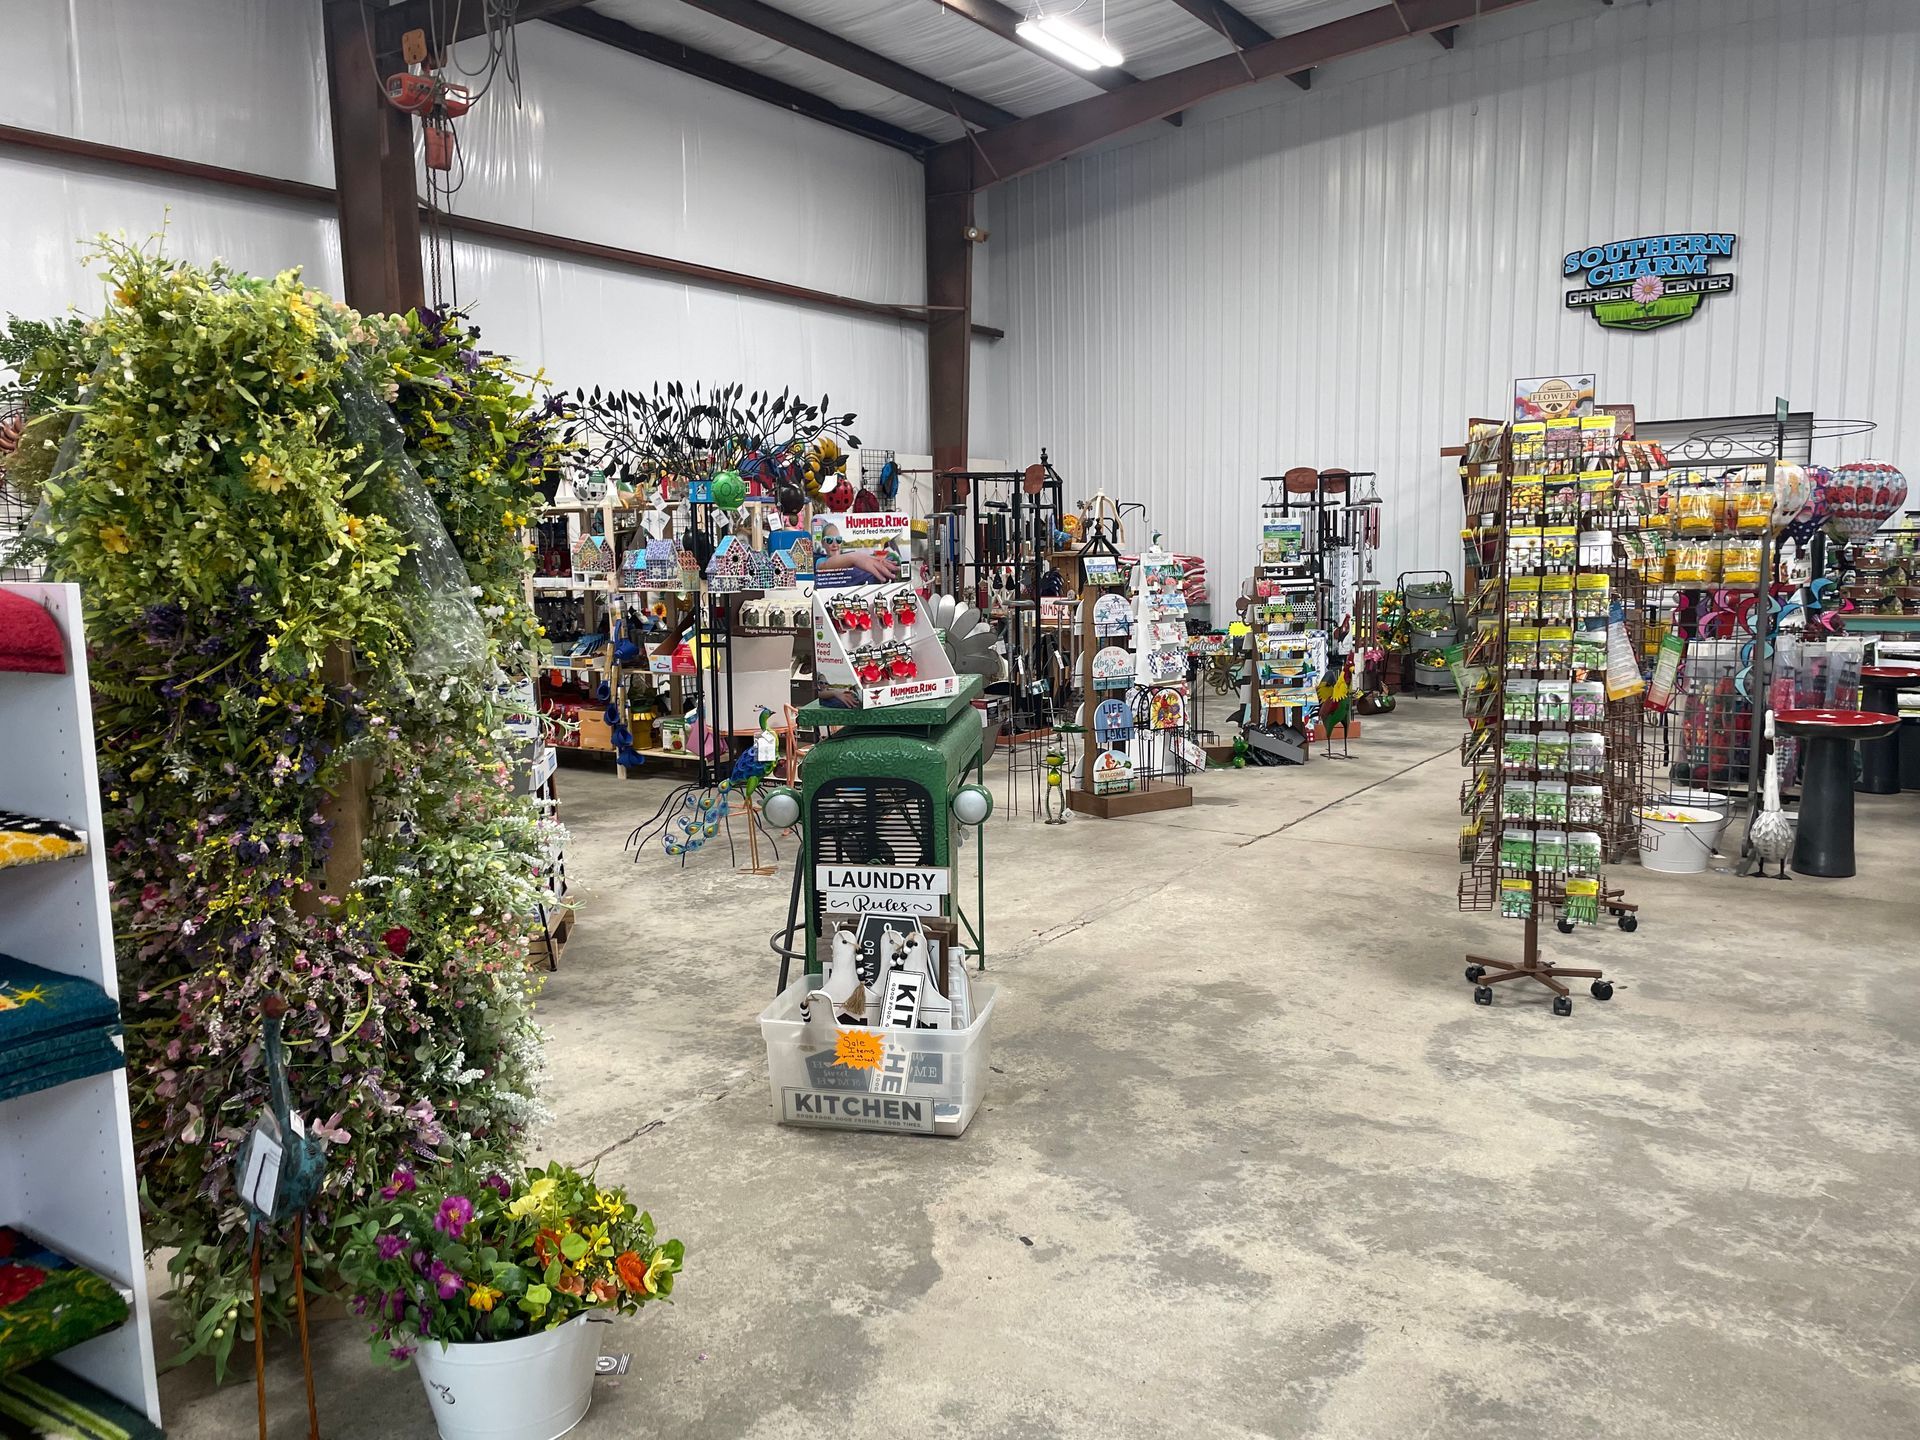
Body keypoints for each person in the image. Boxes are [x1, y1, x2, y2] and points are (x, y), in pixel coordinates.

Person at [816, 523, 898, 582]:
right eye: (829, 540)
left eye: (838, 540)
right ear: (823, 543)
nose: (835, 544)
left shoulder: (850, 557)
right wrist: (854, 558)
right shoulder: (821, 561)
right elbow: (826, 565)